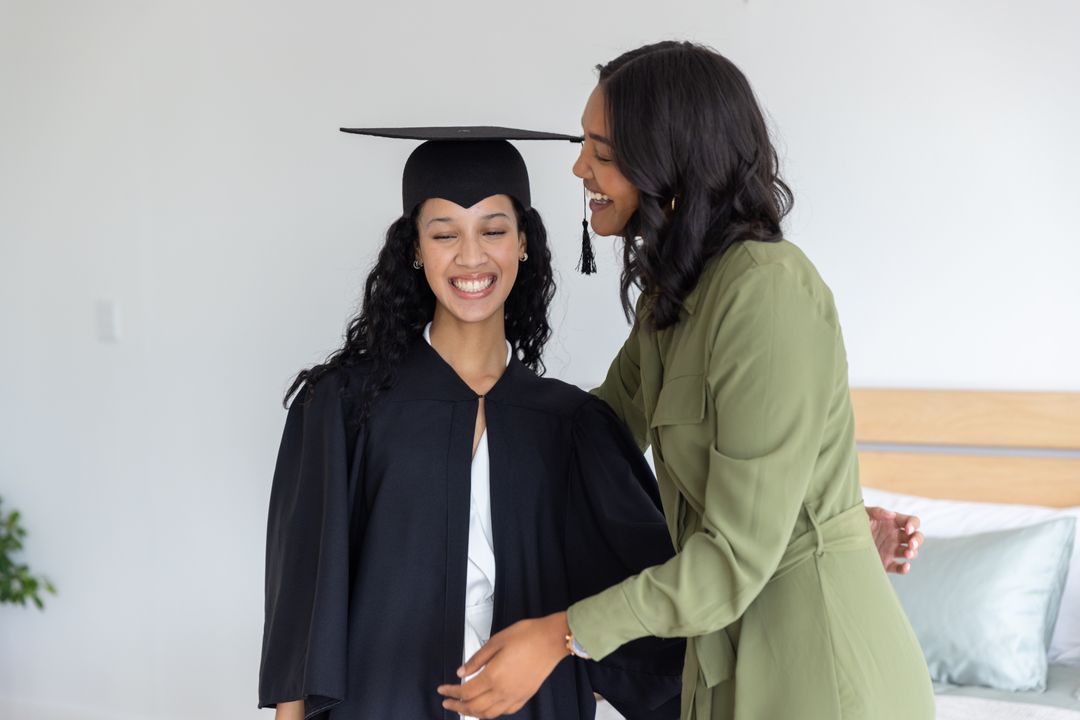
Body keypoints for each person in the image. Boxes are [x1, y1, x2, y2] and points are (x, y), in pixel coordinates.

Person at [438, 43, 935, 720]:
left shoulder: (767, 292)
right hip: (720, 661)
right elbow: (591, 438)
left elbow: (732, 560)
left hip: (819, 671)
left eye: (601, 152)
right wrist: (448, 411)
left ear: (669, 162)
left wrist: (562, 635)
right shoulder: (672, 301)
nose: (580, 169)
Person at [257, 127, 685, 720]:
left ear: (523, 242)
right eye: (444, 234)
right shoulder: (344, 409)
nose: (471, 257)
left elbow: (658, 595)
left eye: (493, 230)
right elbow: (302, 611)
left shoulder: (571, 426)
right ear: (415, 248)